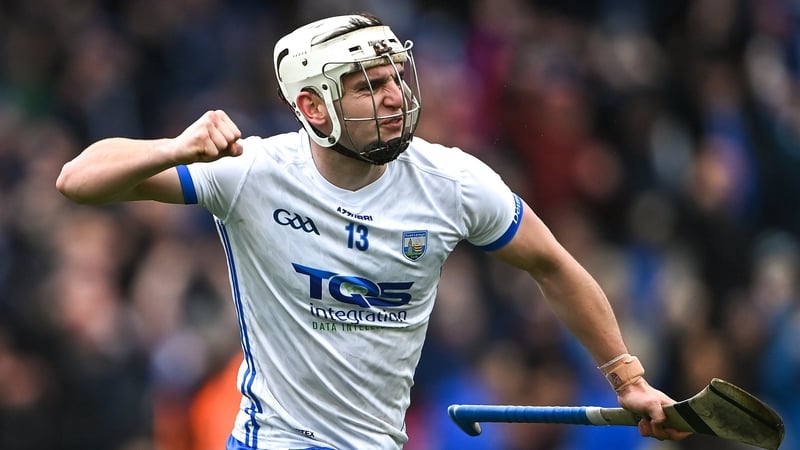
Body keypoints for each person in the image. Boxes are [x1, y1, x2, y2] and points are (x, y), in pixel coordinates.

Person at [56, 12, 690, 450]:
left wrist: (628, 380)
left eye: (394, 80)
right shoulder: (251, 172)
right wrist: (175, 147)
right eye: (367, 87)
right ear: (311, 107)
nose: (394, 97)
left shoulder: (452, 182)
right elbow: (78, 180)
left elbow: (554, 265)